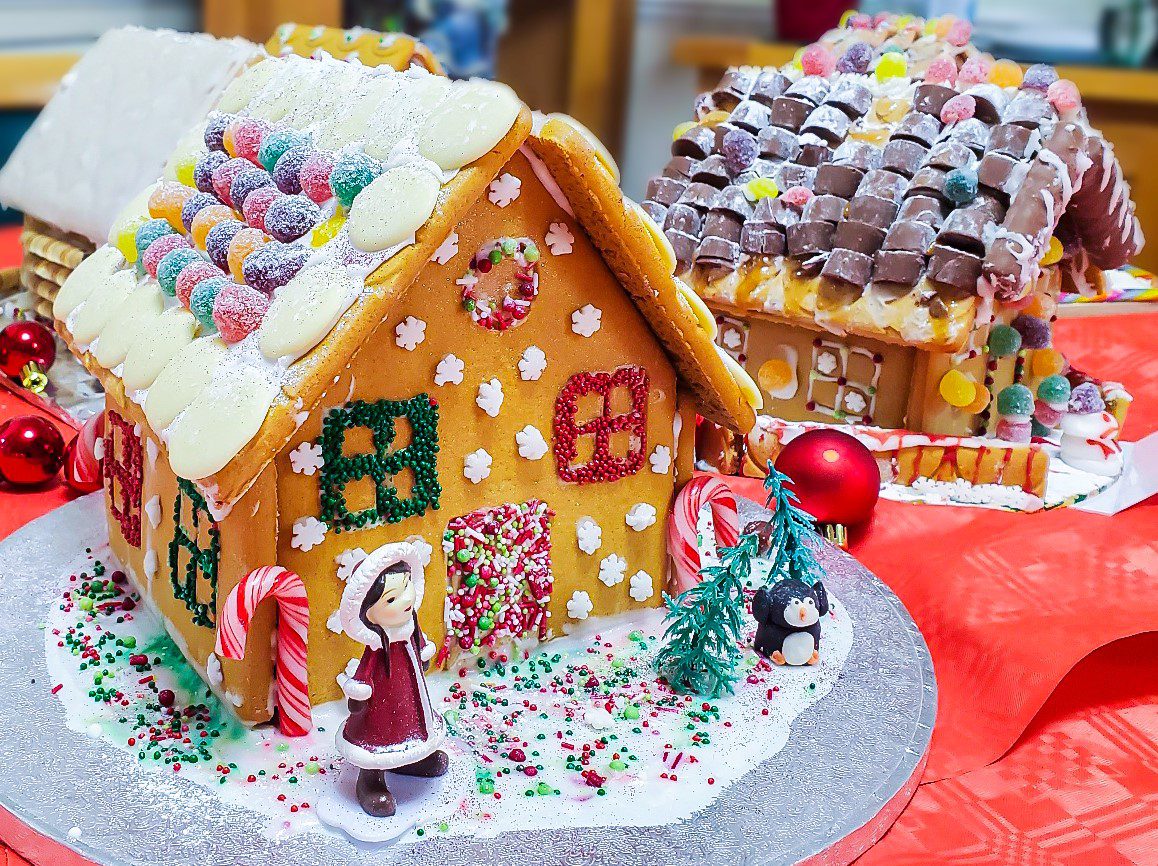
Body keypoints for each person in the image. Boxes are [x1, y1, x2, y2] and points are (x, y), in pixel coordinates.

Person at [336, 541, 447, 817]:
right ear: (368, 612)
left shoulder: (411, 627)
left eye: (407, 586)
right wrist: (358, 695)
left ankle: (411, 759)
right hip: (383, 702)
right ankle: (371, 779)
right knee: (380, 733)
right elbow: (363, 676)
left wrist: (424, 653)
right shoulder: (377, 646)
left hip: (410, 696)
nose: (407, 600)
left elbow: (421, 649)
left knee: (413, 723)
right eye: (391, 599)